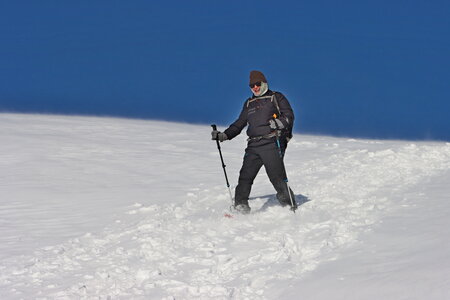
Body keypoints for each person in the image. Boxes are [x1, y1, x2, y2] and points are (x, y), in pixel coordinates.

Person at [211, 70, 296, 214]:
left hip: (271, 142)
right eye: (252, 86)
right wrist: (224, 135)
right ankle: (240, 206)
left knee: (276, 176)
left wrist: (279, 123)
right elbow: (239, 124)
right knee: (245, 176)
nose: (255, 88)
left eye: (257, 84)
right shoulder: (249, 103)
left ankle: (289, 205)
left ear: (264, 83)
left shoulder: (276, 97)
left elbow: (289, 115)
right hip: (253, 145)